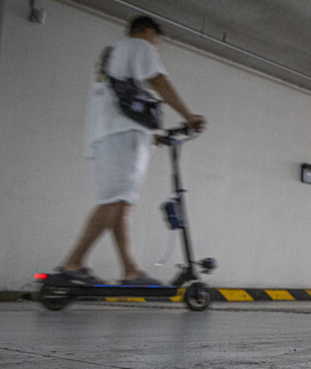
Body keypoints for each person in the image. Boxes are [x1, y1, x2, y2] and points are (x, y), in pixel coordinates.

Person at [57, 16, 205, 285]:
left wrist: (153, 136)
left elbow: (122, 102)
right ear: (149, 32)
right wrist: (188, 115)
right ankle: (73, 262)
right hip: (122, 138)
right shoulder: (138, 46)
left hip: (109, 136)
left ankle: (130, 270)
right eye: (157, 42)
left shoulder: (113, 54)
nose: (156, 49)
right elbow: (158, 81)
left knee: (120, 203)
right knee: (114, 202)